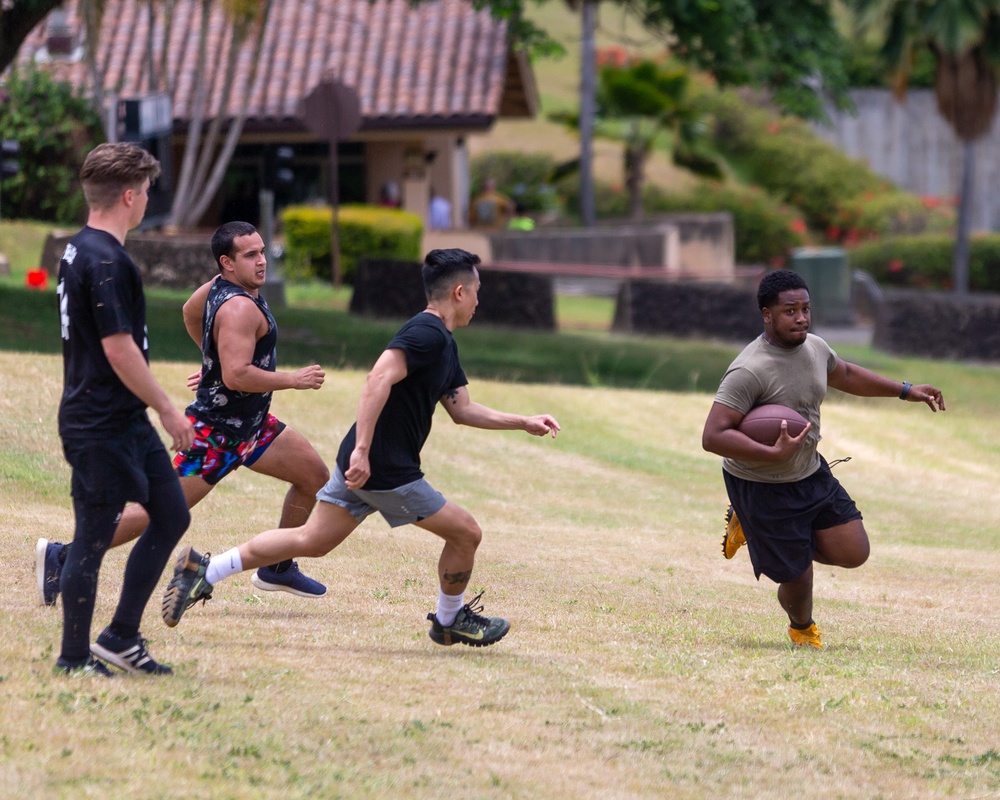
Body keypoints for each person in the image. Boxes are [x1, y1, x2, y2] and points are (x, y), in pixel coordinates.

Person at [162, 248, 561, 649]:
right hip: (383, 468)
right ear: (459, 292)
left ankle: (205, 570)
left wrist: (523, 421)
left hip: (367, 462)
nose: (479, 300)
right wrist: (364, 452)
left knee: (311, 540)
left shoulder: (444, 344)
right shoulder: (425, 334)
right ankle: (449, 619)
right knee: (465, 534)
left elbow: (463, 410)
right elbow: (376, 380)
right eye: (476, 291)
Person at [38, 222, 330, 609]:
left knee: (313, 476)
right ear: (226, 262)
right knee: (155, 511)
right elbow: (237, 374)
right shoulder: (239, 306)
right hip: (217, 434)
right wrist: (292, 379)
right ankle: (64, 555)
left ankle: (277, 566)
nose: (261, 262)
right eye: (250, 255)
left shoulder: (218, 287)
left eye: (262, 252)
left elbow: (190, 313)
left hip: (253, 427)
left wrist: (211, 358)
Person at [701, 269, 945, 650]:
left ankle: (758, 531)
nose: (801, 318)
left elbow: (844, 373)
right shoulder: (749, 369)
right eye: (789, 311)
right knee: (797, 577)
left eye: (805, 309)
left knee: (854, 552)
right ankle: (802, 626)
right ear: (767, 314)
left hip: (809, 470)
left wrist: (906, 391)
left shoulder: (815, 347)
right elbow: (713, 435)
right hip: (762, 485)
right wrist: (770, 452)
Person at [51, 142, 195, 676]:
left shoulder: (78, 248)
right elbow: (118, 348)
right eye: (148, 191)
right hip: (98, 422)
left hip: (121, 418)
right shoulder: (108, 260)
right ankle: (72, 658)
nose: (148, 201)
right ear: (129, 196)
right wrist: (167, 409)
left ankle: (121, 637)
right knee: (92, 534)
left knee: (172, 513)